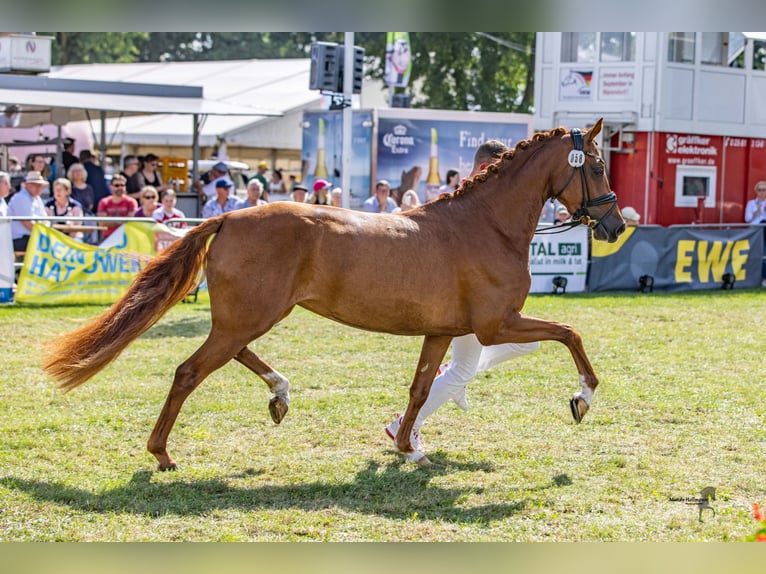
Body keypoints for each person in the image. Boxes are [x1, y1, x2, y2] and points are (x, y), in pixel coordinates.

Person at [385, 140, 540, 452]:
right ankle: (403, 426)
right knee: (465, 369)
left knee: (525, 344)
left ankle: (410, 418)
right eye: (501, 168)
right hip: (468, 298)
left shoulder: (479, 198)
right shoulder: (474, 199)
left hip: (473, 294)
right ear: (486, 168)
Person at [8, 171, 49, 252]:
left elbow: (45, 219)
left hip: (33, 236)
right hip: (20, 238)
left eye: (40, 185)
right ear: (27, 185)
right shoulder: (20, 198)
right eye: (35, 185)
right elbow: (27, 222)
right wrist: (43, 234)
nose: (39, 188)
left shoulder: (37, 199)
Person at [96, 174, 138, 239]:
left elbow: (131, 221)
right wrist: (123, 219)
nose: (120, 187)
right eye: (117, 185)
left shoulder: (131, 202)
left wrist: (111, 220)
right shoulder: (104, 202)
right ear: (111, 186)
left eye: (122, 185)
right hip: (108, 237)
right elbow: (102, 223)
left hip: (127, 237)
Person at [745, 181, 766, 287]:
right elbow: (747, 219)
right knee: (755, 252)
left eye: (764, 190)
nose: (762, 192)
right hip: (756, 230)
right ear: (756, 191)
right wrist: (756, 211)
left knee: (765, 253)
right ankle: (753, 277)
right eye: (760, 190)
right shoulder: (751, 203)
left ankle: (764, 278)